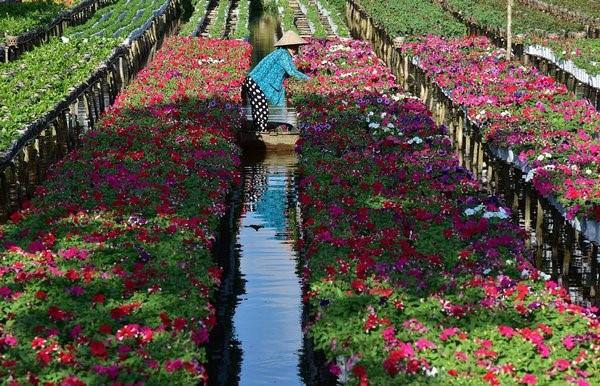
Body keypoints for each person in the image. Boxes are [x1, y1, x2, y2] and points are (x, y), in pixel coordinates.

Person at [242, 30, 311, 133]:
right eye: (295, 47)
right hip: (255, 82)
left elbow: (290, 71)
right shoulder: (283, 54)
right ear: (289, 47)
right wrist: (309, 79)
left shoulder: (282, 54)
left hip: (255, 82)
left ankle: (259, 131)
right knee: (261, 108)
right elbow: (291, 71)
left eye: (297, 47)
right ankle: (261, 133)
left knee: (260, 108)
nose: (296, 49)